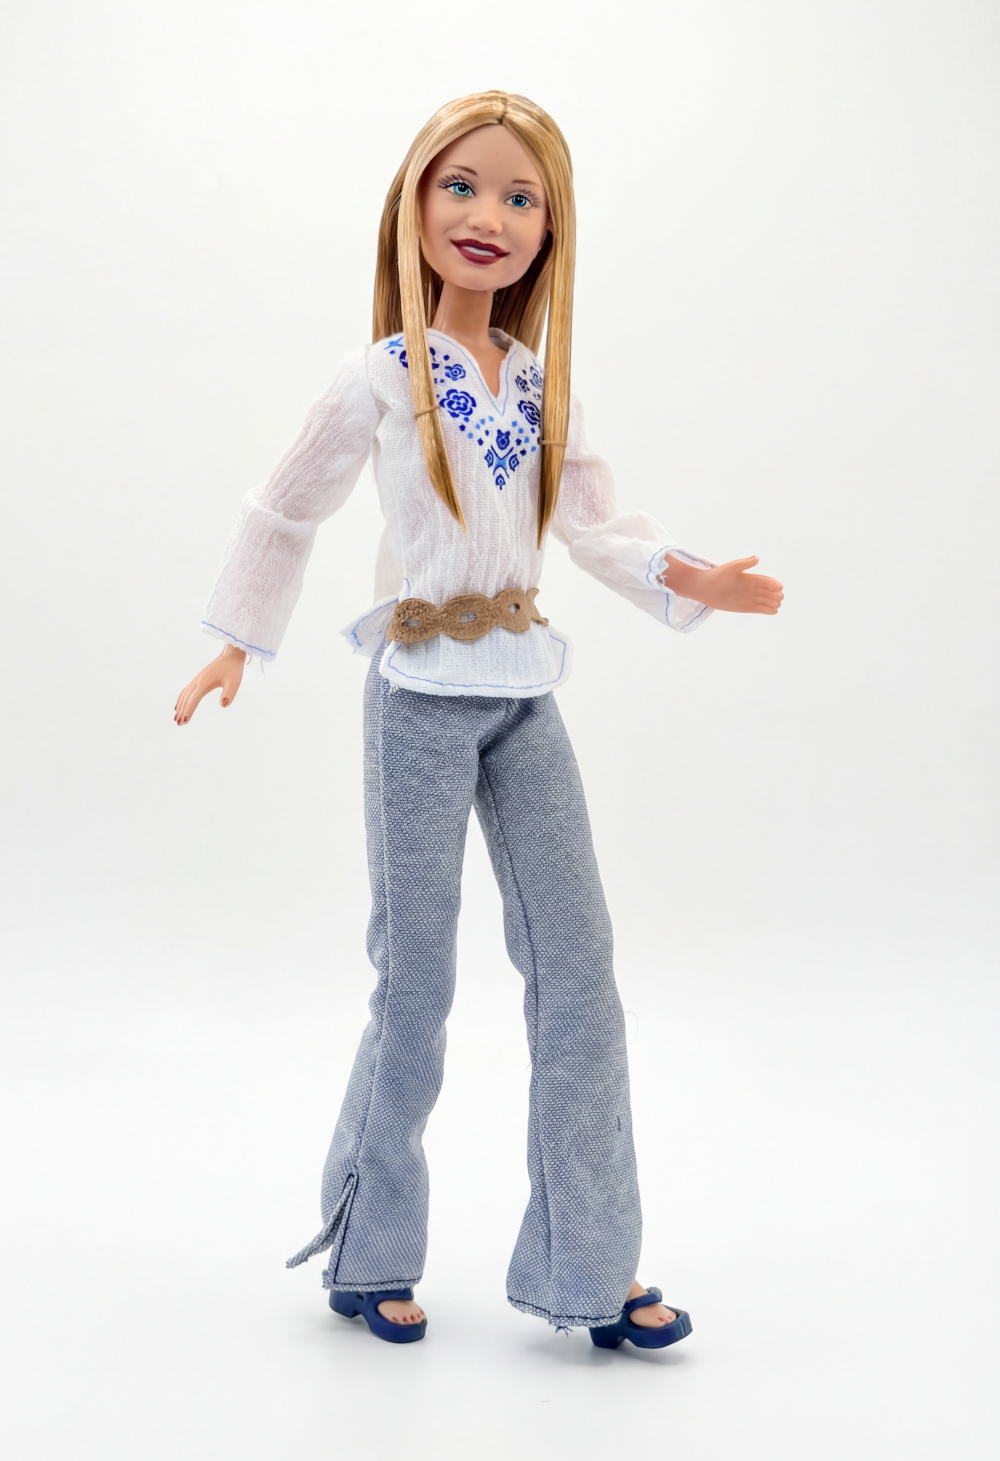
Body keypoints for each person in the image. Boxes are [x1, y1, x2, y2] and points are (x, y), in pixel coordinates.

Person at [174, 92, 783, 1349]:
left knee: (579, 972)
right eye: (460, 186)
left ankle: (591, 1268)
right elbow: (285, 507)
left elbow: (598, 526)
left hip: (523, 692)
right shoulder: (379, 376)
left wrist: (693, 578)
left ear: (551, 230)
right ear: (412, 203)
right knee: (417, 981)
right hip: (415, 698)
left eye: (519, 197)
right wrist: (238, 637)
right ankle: (368, 1248)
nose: (487, 216)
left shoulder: (539, 386)